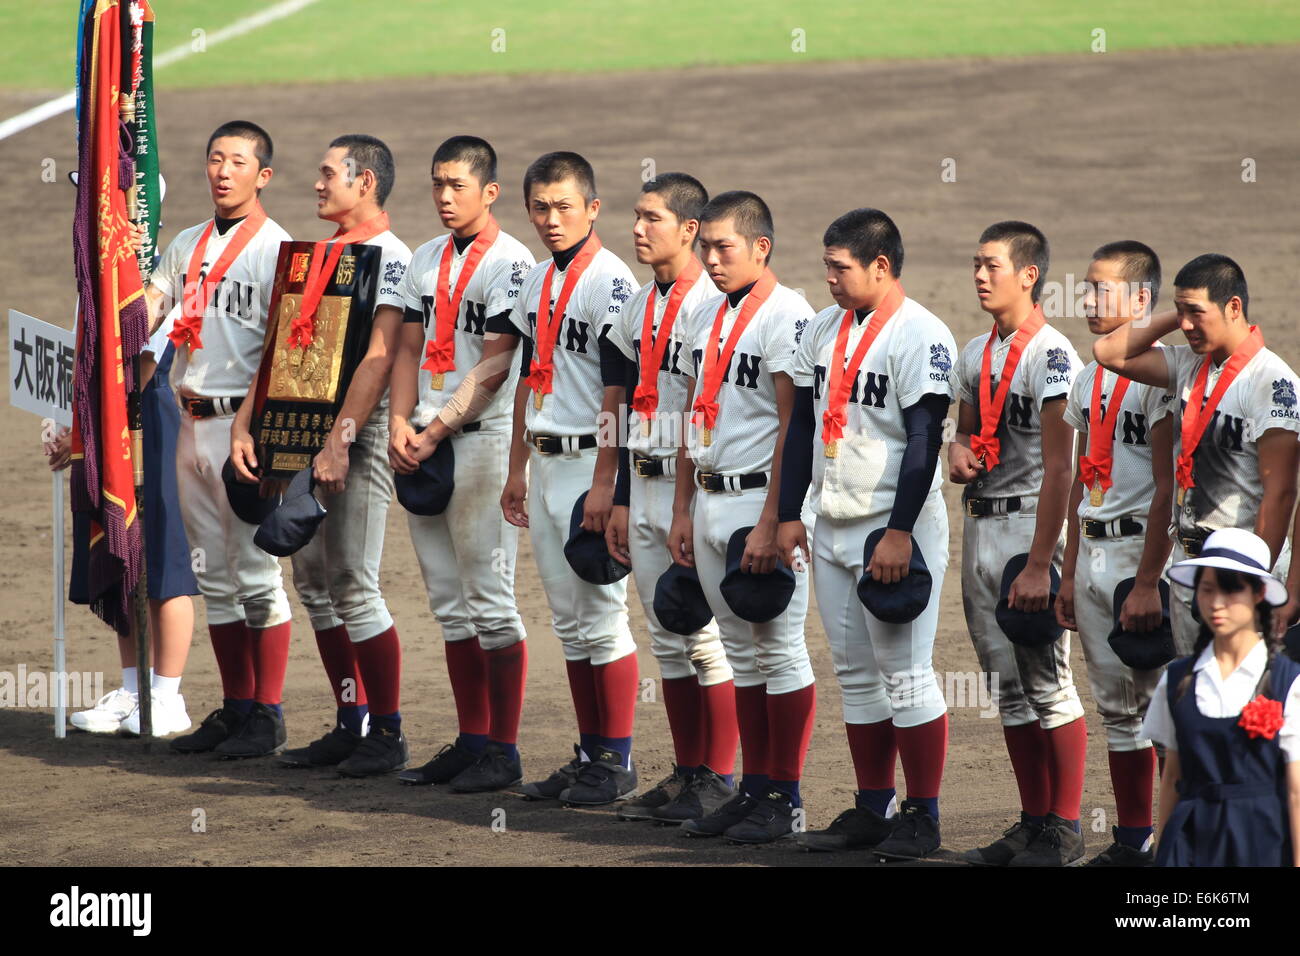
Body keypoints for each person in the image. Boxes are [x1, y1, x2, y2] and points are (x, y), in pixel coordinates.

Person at [231, 134, 413, 776]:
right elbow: (278, 351)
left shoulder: (391, 258)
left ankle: (387, 732)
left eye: (328, 173)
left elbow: (380, 356)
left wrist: (338, 441)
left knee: (353, 584)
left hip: (351, 439)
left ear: (365, 183)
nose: (317, 182)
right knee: (312, 585)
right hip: (296, 432)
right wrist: (245, 426)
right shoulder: (310, 258)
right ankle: (350, 721)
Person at [778, 208, 957, 859]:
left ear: (881, 266)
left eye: (839, 267)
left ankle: (925, 814)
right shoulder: (823, 329)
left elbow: (923, 438)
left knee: (905, 674)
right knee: (855, 674)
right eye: (826, 265)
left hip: (893, 528)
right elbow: (799, 427)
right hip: (831, 525)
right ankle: (871, 807)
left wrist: (899, 531)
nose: (827, 278)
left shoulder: (921, 336)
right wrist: (788, 512)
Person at [666, 190, 817, 844]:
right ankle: (752, 790)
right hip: (708, 496)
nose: (710, 257)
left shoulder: (788, 316)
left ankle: (784, 795)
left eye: (723, 246)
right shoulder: (704, 312)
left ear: (761, 247)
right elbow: (687, 416)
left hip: (760, 502)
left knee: (780, 651)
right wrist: (681, 507)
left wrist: (772, 519)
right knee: (739, 654)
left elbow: (795, 426)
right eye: (705, 246)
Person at [387, 135, 535, 791]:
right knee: (449, 604)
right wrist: (399, 419)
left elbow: (498, 363)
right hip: (424, 442)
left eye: (458, 185)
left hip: (478, 443)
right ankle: (472, 740)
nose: (445, 197)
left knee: (490, 603)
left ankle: (503, 751)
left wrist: (437, 427)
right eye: (437, 184)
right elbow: (407, 349)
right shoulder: (423, 258)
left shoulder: (511, 263)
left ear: (490, 191)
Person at [143, 120, 294, 757]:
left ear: (262, 175)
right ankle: (236, 707)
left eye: (237, 161)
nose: (222, 171)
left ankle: (269, 712)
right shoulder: (185, 243)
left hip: (244, 431)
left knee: (257, 573)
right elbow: (151, 305)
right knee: (217, 577)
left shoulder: (277, 249)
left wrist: (252, 425)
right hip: (191, 422)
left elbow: (286, 348)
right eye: (214, 159)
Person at [499, 151, 641, 805]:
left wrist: (607, 481)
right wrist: (516, 466)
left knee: (603, 616)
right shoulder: (535, 281)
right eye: (539, 208)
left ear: (592, 208)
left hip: (590, 463)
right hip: (547, 461)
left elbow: (619, 390)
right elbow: (531, 377)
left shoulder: (609, 281)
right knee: (570, 622)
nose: (551, 220)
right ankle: (590, 754)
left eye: (563, 206)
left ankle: (615, 761)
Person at [949, 221, 1089, 866]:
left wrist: (1041, 564)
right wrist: (957, 450)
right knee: (1005, 684)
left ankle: (1065, 827)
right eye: (976, 264)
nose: (980, 275)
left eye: (993, 265)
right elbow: (966, 431)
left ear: (1029, 274)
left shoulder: (1054, 355)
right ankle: (1031, 822)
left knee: (1048, 680)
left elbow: (1065, 467)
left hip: (1033, 525)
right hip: (980, 522)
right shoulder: (975, 350)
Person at [603, 173, 739, 822]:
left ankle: (719, 775)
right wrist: (621, 495)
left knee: (707, 639)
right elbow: (628, 407)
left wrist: (683, 507)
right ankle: (690, 772)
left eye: (651, 218)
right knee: (667, 633)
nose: (637, 228)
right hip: (648, 481)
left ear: (689, 230)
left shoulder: (707, 305)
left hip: (693, 487)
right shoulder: (638, 305)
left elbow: (703, 415)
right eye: (636, 216)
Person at [1092, 254, 1300, 652]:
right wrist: (1183, 314)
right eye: (1180, 311)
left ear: (1233, 307)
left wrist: (1252, 579)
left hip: (1239, 567)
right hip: (1189, 567)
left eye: (1196, 312)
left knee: (1247, 698)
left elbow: (1281, 494)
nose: (1186, 324)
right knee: (1197, 691)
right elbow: (1109, 352)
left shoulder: (1271, 383)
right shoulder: (1190, 364)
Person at [1056, 241, 1173, 866]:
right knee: (1117, 710)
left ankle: (1179, 840)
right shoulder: (1087, 373)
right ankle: (1133, 840)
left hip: (1139, 555)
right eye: (1088, 288)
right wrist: (1069, 571)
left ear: (1143, 301)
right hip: (1095, 547)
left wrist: (1149, 581)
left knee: (1161, 707)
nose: (1090, 300)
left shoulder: (1158, 377)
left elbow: (1167, 491)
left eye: (1104, 289)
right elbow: (1079, 478)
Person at [47, 320, 200, 736]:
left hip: (151, 411)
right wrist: (75, 419)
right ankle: (134, 689)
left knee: (161, 558)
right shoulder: (95, 260)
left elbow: (147, 355)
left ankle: (167, 695)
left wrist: (99, 422)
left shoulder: (150, 264)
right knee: (121, 548)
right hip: (108, 416)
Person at [1141, 528, 1300, 866]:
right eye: (1207, 590)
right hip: (1191, 842)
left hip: (1262, 840)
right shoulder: (1177, 680)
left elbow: (1296, 791)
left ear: (1258, 594)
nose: (1216, 603)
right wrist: (1163, 855)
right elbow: (1172, 776)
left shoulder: (1288, 683)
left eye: (1231, 590)